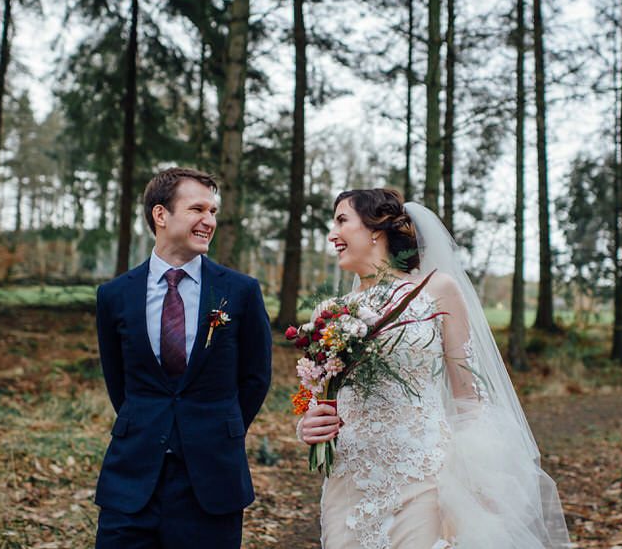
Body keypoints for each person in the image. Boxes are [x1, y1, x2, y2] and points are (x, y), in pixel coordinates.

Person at [298, 188, 570, 549]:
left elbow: (468, 395)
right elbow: (315, 399)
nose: (332, 235)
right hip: (349, 480)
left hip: (422, 476)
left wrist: (479, 479)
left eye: (342, 221)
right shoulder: (328, 313)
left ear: (376, 230)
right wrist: (307, 424)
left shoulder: (437, 290)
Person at [94, 167, 272, 549]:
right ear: (161, 215)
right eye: (197, 209)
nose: (209, 221)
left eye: (213, 212)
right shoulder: (114, 296)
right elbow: (119, 384)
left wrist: (215, 429)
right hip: (132, 479)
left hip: (211, 481)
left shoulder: (240, 292)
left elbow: (255, 378)